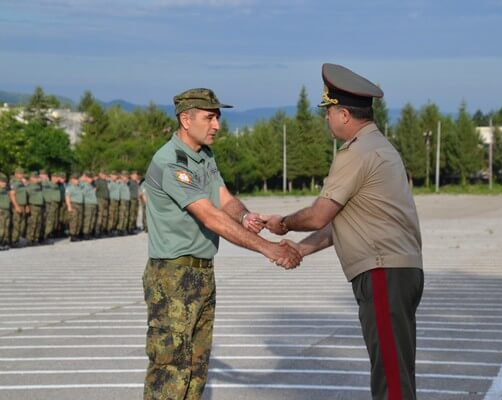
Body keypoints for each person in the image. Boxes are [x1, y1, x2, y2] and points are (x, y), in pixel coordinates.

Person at [263, 63, 424, 400]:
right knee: (393, 370)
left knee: (391, 379)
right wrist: (300, 249)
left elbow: (320, 214)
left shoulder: (356, 153)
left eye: (329, 111)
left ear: (345, 114)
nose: (326, 119)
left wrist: (284, 224)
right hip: (395, 270)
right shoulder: (380, 147)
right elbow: (346, 222)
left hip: (383, 271)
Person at [142, 87, 302, 400]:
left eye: (218, 117)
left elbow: (224, 200)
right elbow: (210, 217)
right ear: (186, 120)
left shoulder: (203, 156)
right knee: (170, 371)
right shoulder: (172, 162)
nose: (217, 125)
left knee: (196, 368)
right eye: (210, 117)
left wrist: (246, 218)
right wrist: (267, 248)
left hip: (201, 273)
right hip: (172, 277)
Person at [9, 168, 28, 247]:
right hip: (17, 205)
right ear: (16, 174)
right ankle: (14, 241)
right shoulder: (13, 183)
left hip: (23, 205)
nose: (22, 175)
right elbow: (12, 195)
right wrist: (16, 206)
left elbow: (25, 194)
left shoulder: (22, 182)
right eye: (20, 174)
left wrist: (26, 205)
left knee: (21, 223)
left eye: (22, 173)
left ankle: (18, 239)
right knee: (16, 223)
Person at [25, 171, 44, 245]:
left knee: (38, 223)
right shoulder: (28, 187)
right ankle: (30, 239)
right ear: (31, 178)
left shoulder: (39, 186)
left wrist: (40, 179)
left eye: (37, 178)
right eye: (35, 178)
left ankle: (36, 239)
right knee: (32, 223)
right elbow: (26, 197)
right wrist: (27, 206)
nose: (37, 179)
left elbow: (43, 181)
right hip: (33, 206)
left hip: (39, 206)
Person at [65, 173, 84, 241]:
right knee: (74, 221)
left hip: (80, 205)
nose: (77, 180)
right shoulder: (69, 187)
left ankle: (76, 234)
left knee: (79, 220)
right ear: (72, 180)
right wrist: (69, 206)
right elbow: (67, 197)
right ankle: (73, 235)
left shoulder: (79, 187)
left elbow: (83, 180)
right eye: (76, 179)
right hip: (74, 205)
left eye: (78, 179)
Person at [80, 171, 97, 240]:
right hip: (88, 204)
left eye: (91, 178)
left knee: (92, 219)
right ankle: (85, 233)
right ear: (86, 178)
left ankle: (89, 232)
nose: (91, 179)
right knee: (88, 219)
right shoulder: (84, 185)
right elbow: (82, 193)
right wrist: (82, 178)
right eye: (90, 178)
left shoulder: (91, 185)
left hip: (93, 203)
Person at [94, 170, 110, 237]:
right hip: (100, 199)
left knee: (105, 215)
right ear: (99, 174)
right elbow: (94, 190)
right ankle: (97, 231)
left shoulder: (106, 181)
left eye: (104, 174)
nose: (104, 175)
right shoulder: (97, 181)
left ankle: (103, 230)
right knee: (100, 215)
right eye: (102, 174)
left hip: (106, 200)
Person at [0, 173, 11, 251]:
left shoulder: (5, 190)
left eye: (5, 182)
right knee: (1, 228)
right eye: (2, 182)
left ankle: (4, 242)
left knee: (6, 227)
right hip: (1, 210)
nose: (4, 183)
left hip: (6, 210)